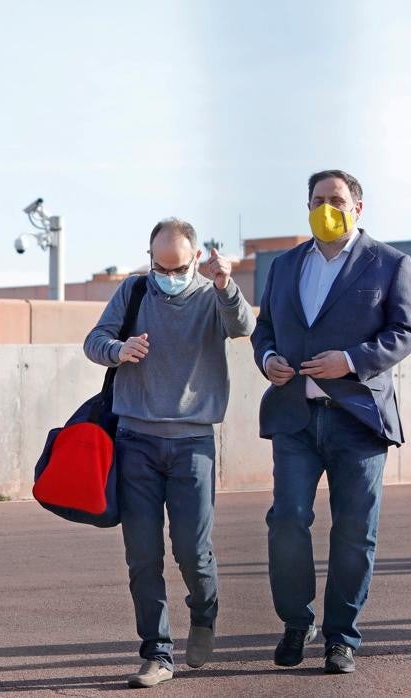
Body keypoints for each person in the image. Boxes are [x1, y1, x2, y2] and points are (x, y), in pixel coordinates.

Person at [252, 170, 411, 674]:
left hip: (358, 418)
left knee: (354, 531)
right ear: (308, 206)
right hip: (295, 417)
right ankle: (295, 622)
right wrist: (268, 359)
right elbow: (264, 330)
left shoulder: (390, 263)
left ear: (358, 208)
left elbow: (406, 332)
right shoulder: (285, 265)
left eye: (338, 200)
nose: (328, 207)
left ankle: (341, 637)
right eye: (319, 200)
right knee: (286, 521)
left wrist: (350, 360)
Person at [84, 219, 255, 688]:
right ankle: (157, 652)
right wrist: (119, 349)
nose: (168, 274)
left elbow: (243, 326)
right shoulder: (135, 290)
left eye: (178, 266)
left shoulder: (211, 294)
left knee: (192, 551)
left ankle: (204, 612)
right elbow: (93, 342)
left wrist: (225, 284)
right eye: (160, 265)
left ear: (196, 258)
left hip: (192, 443)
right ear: (150, 257)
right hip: (135, 440)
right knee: (142, 555)